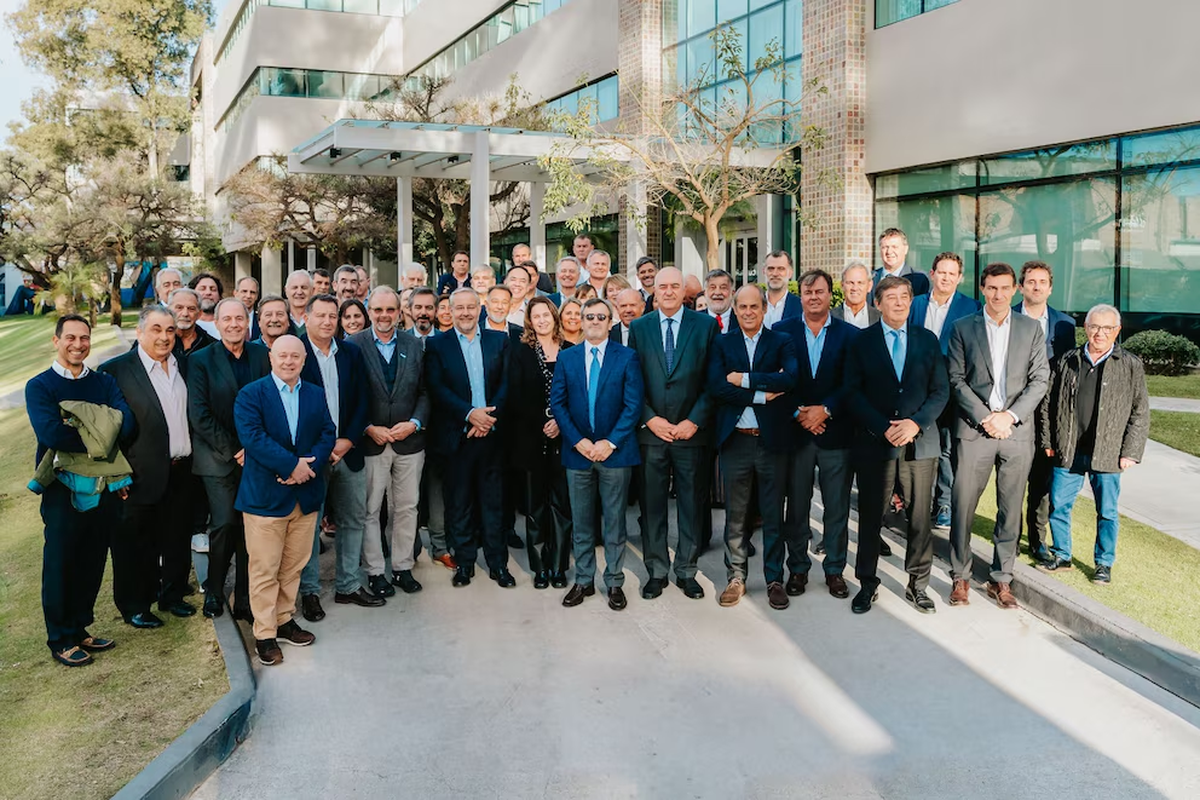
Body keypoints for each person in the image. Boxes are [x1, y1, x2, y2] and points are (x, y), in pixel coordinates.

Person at [26, 315, 133, 666]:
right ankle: (60, 638)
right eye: (70, 337)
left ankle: (79, 627)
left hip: (102, 487)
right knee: (62, 562)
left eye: (84, 337)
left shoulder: (103, 382)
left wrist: (79, 424)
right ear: (56, 341)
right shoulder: (40, 386)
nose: (78, 344)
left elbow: (125, 423)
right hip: (62, 490)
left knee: (92, 559)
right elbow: (52, 434)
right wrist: (101, 429)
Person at [946, 262, 1050, 610]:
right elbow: (956, 379)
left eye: (1005, 288)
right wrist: (985, 417)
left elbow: (1040, 379)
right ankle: (960, 575)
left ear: (1015, 290)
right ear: (982, 289)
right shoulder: (963, 327)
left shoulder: (1031, 329)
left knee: (1010, 509)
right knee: (963, 505)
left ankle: (1001, 578)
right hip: (974, 430)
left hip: (1016, 432)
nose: (998, 294)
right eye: (992, 288)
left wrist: (1009, 416)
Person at [845, 276, 949, 614]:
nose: (900, 302)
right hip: (875, 444)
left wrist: (915, 423)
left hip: (919, 444)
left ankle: (918, 585)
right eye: (891, 297)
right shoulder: (861, 342)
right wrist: (881, 427)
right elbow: (852, 392)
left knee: (920, 519)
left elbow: (940, 391)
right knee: (871, 517)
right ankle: (867, 583)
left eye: (905, 296)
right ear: (878, 303)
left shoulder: (927, 339)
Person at [234, 335, 335, 666]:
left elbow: (327, 433)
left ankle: (283, 620)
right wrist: (292, 466)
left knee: (293, 566)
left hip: (304, 496)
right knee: (265, 569)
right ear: (271, 358)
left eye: (295, 356)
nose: (289, 361)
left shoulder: (315, 394)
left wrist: (308, 468)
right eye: (283, 355)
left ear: (304, 360)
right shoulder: (251, 395)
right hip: (265, 498)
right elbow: (253, 438)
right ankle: (264, 634)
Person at [100, 306, 197, 627]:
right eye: (156, 329)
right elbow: (105, 430)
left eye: (170, 330)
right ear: (140, 332)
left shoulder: (183, 364)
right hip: (137, 473)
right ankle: (135, 605)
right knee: (134, 543)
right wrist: (116, 473)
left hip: (182, 469)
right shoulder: (115, 371)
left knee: (177, 537)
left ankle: (172, 595)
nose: (164, 337)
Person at [1038, 305, 1148, 584]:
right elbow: (1048, 403)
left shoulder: (1130, 364)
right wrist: (1049, 440)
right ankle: (1062, 555)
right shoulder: (1068, 360)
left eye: (1107, 328)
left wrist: (1131, 452)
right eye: (1095, 327)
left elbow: (1140, 411)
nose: (1100, 333)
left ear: (1117, 331)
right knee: (1058, 505)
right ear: (1085, 328)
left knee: (1107, 512)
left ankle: (1103, 563)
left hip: (1108, 452)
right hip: (1069, 448)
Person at [627, 267, 718, 600]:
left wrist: (694, 421)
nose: (667, 291)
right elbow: (632, 381)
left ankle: (686, 570)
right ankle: (656, 571)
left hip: (691, 433)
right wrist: (649, 419)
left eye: (674, 286)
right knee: (652, 506)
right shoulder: (639, 327)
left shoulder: (705, 326)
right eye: (662, 286)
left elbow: (713, 380)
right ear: (655, 291)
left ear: (684, 292)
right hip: (652, 434)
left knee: (691, 505)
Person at [547, 297, 641, 610]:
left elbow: (633, 405)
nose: (595, 322)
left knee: (615, 522)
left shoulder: (627, 357)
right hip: (578, 454)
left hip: (615, 453)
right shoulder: (567, 357)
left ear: (610, 323)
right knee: (581, 521)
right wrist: (578, 441)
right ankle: (584, 580)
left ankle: (614, 581)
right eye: (590, 317)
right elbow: (558, 403)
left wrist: (609, 442)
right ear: (582, 321)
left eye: (601, 317)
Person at [707, 285, 798, 610]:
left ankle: (774, 579)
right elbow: (717, 387)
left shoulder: (781, 341)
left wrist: (743, 379)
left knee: (773, 514)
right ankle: (736, 577)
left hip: (771, 440)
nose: (748, 312)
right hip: (737, 439)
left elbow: (789, 380)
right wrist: (761, 393)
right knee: (736, 514)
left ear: (763, 309)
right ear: (735, 309)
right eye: (742, 307)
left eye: (753, 307)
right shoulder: (722, 343)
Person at [775, 269, 859, 600]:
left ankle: (835, 569)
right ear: (801, 296)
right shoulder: (781, 331)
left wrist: (826, 409)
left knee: (836, 507)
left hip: (836, 432)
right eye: (808, 292)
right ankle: (798, 567)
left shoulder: (849, 335)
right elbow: (776, 379)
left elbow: (853, 383)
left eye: (819, 291)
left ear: (829, 295)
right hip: (796, 433)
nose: (813, 297)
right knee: (797, 506)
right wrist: (799, 413)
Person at [343, 286, 432, 601]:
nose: (384, 316)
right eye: (378, 310)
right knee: (370, 510)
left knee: (407, 507)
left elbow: (425, 391)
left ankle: (403, 567)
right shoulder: (353, 345)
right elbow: (348, 395)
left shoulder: (414, 344)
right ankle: (375, 571)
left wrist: (415, 423)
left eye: (390, 310)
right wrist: (368, 427)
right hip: (371, 442)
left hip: (410, 441)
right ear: (369, 312)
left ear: (400, 312)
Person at [188, 298, 271, 621]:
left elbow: (270, 403)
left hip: (256, 458)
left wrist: (253, 448)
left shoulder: (261, 355)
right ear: (217, 323)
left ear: (248, 322)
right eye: (228, 319)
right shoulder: (200, 360)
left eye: (240, 318)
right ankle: (214, 590)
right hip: (217, 458)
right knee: (223, 524)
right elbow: (199, 414)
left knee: (252, 529)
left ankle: (245, 598)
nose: (234, 324)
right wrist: (236, 450)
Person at [425, 288, 513, 587]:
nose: (465, 313)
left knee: (494, 504)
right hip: (457, 436)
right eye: (459, 308)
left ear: (480, 309)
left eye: (470, 307)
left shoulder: (498, 340)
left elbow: (505, 384)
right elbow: (437, 388)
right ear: (450, 311)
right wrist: (469, 414)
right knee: (459, 503)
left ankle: (498, 564)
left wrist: (487, 420)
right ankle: (464, 564)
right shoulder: (437, 344)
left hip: (492, 436)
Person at [296, 294, 373, 622]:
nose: (327, 321)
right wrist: (323, 448)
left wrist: (348, 440)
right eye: (321, 315)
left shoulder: (351, 353)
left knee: (353, 519)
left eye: (332, 316)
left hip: (348, 452)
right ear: (307, 318)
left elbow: (363, 400)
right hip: (313, 457)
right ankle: (310, 592)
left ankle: (348, 585)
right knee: (310, 527)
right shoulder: (296, 352)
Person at [907, 252, 982, 529]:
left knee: (948, 447)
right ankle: (917, 502)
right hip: (918, 389)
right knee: (918, 445)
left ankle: (945, 503)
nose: (946, 278)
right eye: (942, 272)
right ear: (932, 274)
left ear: (959, 278)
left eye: (952, 273)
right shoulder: (915, 304)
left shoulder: (971, 307)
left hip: (952, 388)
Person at [509, 297, 574, 588]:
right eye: (536, 317)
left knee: (561, 506)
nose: (542, 320)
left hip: (565, 437)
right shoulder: (520, 352)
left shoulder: (570, 350)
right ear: (530, 322)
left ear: (554, 316)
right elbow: (515, 394)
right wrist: (541, 424)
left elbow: (578, 394)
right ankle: (540, 569)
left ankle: (558, 567)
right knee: (535, 506)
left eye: (546, 315)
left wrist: (560, 422)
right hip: (531, 438)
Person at [1016, 260, 1078, 561]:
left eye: (1042, 282)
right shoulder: (1008, 316)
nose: (1037, 287)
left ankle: (1037, 540)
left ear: (1050, 288)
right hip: (1013, 410)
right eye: (1031, 281)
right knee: (1012, 480)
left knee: (1041, 482)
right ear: (1021, 287)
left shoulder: (1065, 325)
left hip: (1049, 415)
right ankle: (1009, 536)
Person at [872, 228, 930, 297]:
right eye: (885, 247)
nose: (889, 251)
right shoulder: (870, 278)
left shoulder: (920, 280)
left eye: (894, 247)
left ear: (905, 249)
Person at [168, 288, 216, 358]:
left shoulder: (211, 346)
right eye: (179, 308)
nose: (185, 314)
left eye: (191, 309)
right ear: (168, 310)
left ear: (199, 314)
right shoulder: (160, 340)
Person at [831, 262, 879, 329]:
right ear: (842, 285)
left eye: (860, 283)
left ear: (869, 286)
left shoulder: (880, 319)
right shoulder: (829, 318)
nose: (855, 288)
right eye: (850, 283)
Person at [763, 251, 802, 328]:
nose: (775, 274)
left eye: (781, 269)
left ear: (790, 273)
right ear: (764, 271)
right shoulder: (752, 304)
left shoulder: (801, 306)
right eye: (771, 269)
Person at [190, 273, 223, 337]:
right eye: (202, 289)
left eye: (213, 289)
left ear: (219, 296)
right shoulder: (186, 324)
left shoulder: (228, 324)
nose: (208, 293)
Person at [703, 269, 737, 333]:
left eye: (723, 287)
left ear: (732, 293)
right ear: (705, 293)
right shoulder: (693, 321)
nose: (717, 292)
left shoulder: (742, 320)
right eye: (712, 287)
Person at [285, 270, 313, 335]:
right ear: (286, 291)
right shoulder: (280, 318)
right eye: (295, 288)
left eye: (304, 288)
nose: (299, 292)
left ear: (312, 291)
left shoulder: (319, 318)